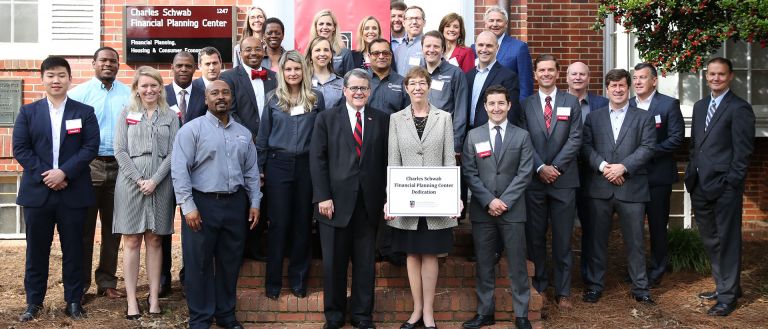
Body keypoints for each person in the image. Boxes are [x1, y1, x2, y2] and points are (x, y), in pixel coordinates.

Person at [13, 56, 99, 322]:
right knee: (36, 250)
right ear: (42, 79)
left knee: (74, 249)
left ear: (69, 79)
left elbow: (90, 148)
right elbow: (20, 149)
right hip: (38, 194)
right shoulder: (28, 112)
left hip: (72, 192)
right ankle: (33, 303)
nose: (56, 80)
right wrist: (47, 175)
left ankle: (73, 301)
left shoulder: (84, 112)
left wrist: (64, 172)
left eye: (61, 75)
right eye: (50, 75)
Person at [171, 80, 262, 329]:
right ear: (206, 99)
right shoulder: (191, 130)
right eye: (215, 93)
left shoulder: (243, 133)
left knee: (230, 263)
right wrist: (188, 207)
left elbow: (252, 172)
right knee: (198, 263)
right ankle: (200, 318)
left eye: (225, 92)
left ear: (231, 98)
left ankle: (226, 315)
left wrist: (254, 202)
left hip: (235, 204)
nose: (220, 97)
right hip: (202, 204)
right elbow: (180, 171)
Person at [310, 69, 390, 329]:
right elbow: (317, 160)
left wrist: (389, 198)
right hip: (333, 204)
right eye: (354, 88)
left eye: (363, 88)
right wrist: (322, 196)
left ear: (370, 91)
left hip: (368, 204)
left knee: (365, 265)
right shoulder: (326, 119)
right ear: (344, 90)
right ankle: (334, 316)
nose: (358, 92)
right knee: (333, 264)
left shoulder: (381, 120)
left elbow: (388, 162)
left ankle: (362, 316)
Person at [385, 67, 458, 329]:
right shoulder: (395, 119)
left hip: (436, 199)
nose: (417, 87)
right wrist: (390, 199)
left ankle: (428, 313)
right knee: (412, 254)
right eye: (412, 83)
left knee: (430, 254)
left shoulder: (444, 118)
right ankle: (416, 310)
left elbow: (449, 160)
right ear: (406, 88)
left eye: (421, 83)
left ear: (429, 86)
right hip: (407, 200)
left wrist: (455, 196)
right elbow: (393, 162)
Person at [684, 57, 754, 316]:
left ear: (730, 76)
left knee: (727, 241)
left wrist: (731, 184)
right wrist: (693, 171)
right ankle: (725, 285)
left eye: (721, 75)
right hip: (700, 185)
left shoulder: (739, 108)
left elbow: (743, 152)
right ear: (706, 76)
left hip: (725, 188)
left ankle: (727, 297)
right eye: (711, 74)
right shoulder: (701, 106)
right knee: (711, 240)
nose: (715, 78)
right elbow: (696, 146)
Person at [580, 68, 656, 305]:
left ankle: (641, 288)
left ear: (628, 87)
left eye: (622, 85)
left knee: (635, 241)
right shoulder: (594, 117)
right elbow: (585, 148)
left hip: (631, 188)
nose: (618, 90)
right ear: (607, 89)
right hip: (600, 188)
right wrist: (604, 167)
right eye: (613, 86)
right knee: (596, 240)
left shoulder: (643, 117)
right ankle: (594, 286)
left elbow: (647, 148)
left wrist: (623, 167)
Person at [461, 85, 534, 329]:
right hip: (483, 211)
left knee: (516, 264)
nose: (496, 108)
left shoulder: (521, 136)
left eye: (501, 103)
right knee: (483, 264)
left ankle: (521, 314)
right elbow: (470, 173)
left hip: (513, 212)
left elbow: (524, 173)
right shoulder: (474, 136)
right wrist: (489, 201)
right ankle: (484, 312)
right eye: (491, 104)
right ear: (485, 106)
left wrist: (504, 201)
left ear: (509, 105)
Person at [113, 66, 180, 319]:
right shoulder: (126, 113)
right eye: (144, 86)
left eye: (154, 85)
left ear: (161, 88)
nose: (149, 90)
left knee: (154, 240)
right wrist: (140, 179)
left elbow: (175, 152)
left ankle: (153, 298)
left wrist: (155, 180)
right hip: (130, 183)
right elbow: (119, 150)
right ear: (136, 89)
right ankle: (131, 300)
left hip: (161, 183)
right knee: (131, 241)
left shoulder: (170, 116)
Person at [258, 50, 325, 300]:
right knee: (278, 224)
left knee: (302, 224)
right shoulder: (273, 99)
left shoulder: (315, 99)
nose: (293, 73)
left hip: (306, 166)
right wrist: (260, 169)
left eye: (297, 69)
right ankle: (273, 283)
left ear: (304, 71)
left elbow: (320, 138)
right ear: (282, 73)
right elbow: (263, 137)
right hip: (278, 165)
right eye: (288, 69)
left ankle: (299, 281)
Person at [520, 54, 582, 309]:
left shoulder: (572, 102)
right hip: (535, 182)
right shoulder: (526, 104)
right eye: (541, 70)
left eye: (550, 70)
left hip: (564, 180)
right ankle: (541, 286)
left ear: (558, 73)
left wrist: (555, 167)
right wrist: (540, 167)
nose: (545, 74)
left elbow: (575, 138)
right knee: (535, 238)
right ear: (535, 75)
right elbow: (524, 140)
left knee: (562, 238)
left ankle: (564, 291)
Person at [68, 46, 130, 300]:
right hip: (88, 166)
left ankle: (107, 281)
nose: (108, 64)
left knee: (113, 229)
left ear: (118, 64)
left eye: (113, 61)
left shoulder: (129, 93)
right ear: (93, 63)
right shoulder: (79, 94)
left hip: (119, 165)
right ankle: (80, 285)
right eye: (103, 60)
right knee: (84, 229)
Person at [220, 35, 276, 263]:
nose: (253, 53)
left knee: (262, 194)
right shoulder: (229, 77)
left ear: (263, 51)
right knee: (242, 195)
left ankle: (255, 246)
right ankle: (238, 247)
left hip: (271, 147)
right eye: (248, 50)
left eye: (257, 49)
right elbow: (229, 111)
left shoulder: (273, 77)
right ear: (240, 53)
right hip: (242, 146)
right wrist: (251, 137)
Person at [629, 62, 684, 286]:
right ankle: (637, 269)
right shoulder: (628, 105)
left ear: (654, 80)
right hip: (632, 177)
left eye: (643, 78)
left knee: (657, 226)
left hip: (657, 176)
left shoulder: (668, 105)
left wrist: (647, 153)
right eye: (635, 78)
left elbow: (676, 138)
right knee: (633, 227)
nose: (638, 82)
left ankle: (658, 268)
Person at [566, 61, 608, 282]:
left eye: (583, 74)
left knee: (592, 228)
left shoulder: (602, 103)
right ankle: (563, 278)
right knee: (562, 228)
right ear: (567, 77)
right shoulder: (559, 102)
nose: (578, 78)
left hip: (593, 174)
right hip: (563, 172)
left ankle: (591, 278)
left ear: (589, 78)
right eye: (574, 74)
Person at [421, 30, 468, 156]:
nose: (431, 50)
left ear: (443, 50)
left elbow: (461, 111)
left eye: (436, 46)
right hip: (418, 139)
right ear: (422, 49)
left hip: (444, 140)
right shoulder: (416, 73)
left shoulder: (455, 73)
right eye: (428, 46)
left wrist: (456, 144)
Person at [477, 6, 533, 100]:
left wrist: (522, 110)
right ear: (485, 24)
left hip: (508, 108)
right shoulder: (476, 48)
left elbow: (525, 84)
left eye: (499, 20)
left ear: (506, 24)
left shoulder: (519, 48)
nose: (495, 24)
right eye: (491, 20)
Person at [367, 38, 410, 116]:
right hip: (366, 128)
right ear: (369, 56)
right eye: (376, 53)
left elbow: (408, 115)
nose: (381, 56)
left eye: (385, 53)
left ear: (391, 55)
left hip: (394, 127)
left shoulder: (402, 83)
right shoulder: (361, 80)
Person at [310, 9, 354, 77]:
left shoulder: (345, 53)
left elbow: (350, 81)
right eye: (321, 24)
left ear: (334, 28)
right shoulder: (310, 52)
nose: (324, 27)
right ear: (316, 27)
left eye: (329, 24)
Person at [306, 36, 345, 110]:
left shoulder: (341, 82)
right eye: (317, 50)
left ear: (331, 55)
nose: (322, 54)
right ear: (310, 55)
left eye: (326, 50)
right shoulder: (303, 81)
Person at [393, 6, 426, 76]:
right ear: (404, 23)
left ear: (424, 22)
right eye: (410, 19)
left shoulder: (429, 46)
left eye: (417, 18)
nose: (414, 22)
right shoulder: (398, 50)